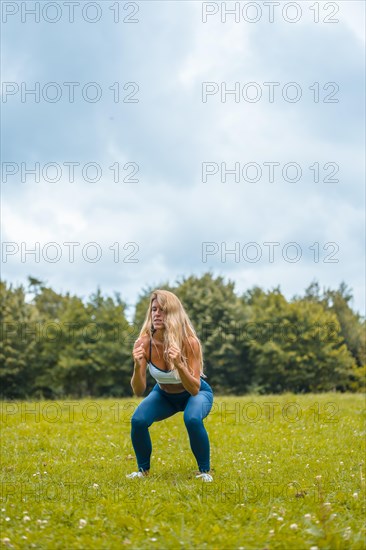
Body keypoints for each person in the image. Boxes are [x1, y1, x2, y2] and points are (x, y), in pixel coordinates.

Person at [126, 289, 214, 482]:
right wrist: (137, 365)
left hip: (194, 394)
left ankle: (205, 471)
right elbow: (138, 390)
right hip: (164, 395)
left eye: (163, 310)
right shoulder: (144, 343)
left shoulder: (190, 343)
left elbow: (194, 389)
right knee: (138, 421)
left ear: (173, 313)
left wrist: (180, 365)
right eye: (154, 309)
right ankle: (142, 471)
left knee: (192, 419)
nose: (157, 314)